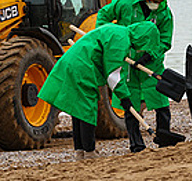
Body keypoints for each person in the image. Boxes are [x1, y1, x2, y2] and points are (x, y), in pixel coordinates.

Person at [38, 22, 160, 160]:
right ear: (143, 37)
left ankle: (80, 151)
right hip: (82, 68)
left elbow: (113, 65)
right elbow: (113, 74)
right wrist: (125, 99)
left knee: (78, 109)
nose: (141, 49)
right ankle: (89, 151)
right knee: (87, 109)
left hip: (73, 63)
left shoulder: (118, 31)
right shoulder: (121, 40)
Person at [96, 0, 174, 153]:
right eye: (155, 0)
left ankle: (164, 137)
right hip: (127, 63)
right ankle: (136, 144)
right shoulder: (124, 4)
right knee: (130, 105)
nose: (157, 4)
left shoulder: (164, 14)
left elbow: (165, 41)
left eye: (160, 1)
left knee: (161, 102)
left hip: (151, 65)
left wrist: (150, 55)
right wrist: (107, 39)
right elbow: (103, 15)